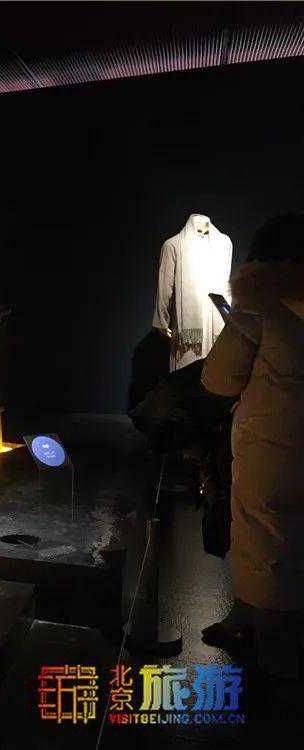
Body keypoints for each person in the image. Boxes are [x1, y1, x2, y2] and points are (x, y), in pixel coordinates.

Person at [201, 214, 304, 701]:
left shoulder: (259, 309)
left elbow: (218, 380)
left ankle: (277, 661)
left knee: (263, 540)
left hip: (271, 448)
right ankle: (245, 619)